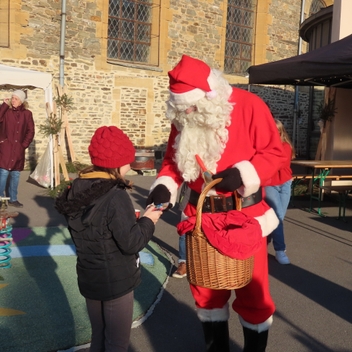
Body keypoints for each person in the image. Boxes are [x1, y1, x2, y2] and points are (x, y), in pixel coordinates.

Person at [146, 55, 286, 352]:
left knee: (253, 294)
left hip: (244, 217)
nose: (190, 112)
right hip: (200, 220)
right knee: (207, 294)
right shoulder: (184, 115)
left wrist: (242, 173)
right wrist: (164, 185)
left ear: (211, 94)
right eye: (184, 108)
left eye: (194, 106)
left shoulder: (249, 105)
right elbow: (173, 160)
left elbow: (276, 153)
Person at [55, 126, 163, 352]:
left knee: (100, 336)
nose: (129, 167)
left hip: (89, 276)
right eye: (128, 162)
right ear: (117, 163)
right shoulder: (115, 194)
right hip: (116, 280)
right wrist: (148, 220)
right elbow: (132, 242)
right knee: (117, 343)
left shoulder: (77, 187)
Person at [264, 119, 295, 265]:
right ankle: (280, 250)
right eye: (272, 130)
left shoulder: (285, 146)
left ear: (281, 132)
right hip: (270, 184)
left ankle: (264, 242)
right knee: (277, 217)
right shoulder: (264, 147)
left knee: (279, 217)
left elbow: (279, 163)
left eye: (278, 131)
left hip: (285, 183)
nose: (275, 133)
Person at [0, 90, 35, 208]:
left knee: (15, 174)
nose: (13, 100)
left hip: (18, 150)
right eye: (12, 98)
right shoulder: (6, 112)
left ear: (21, 101)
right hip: (6, 148)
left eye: (15, 98)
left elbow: (30, 131)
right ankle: (0, 200)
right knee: (3, 173)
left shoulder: (27, 114)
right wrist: (4, 105)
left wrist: (24, 145)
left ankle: (13, 199)